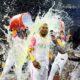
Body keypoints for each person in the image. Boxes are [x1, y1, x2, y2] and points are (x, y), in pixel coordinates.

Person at [1, 13, 32, 80]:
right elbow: (13, 31)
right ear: (18, 27)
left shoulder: (26, 34)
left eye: (24, 27)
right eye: (22, 26)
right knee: (5, 70)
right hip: (12, 55)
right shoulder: (14, 32)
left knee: (19, 72)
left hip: (19, 56)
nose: (24, 27)